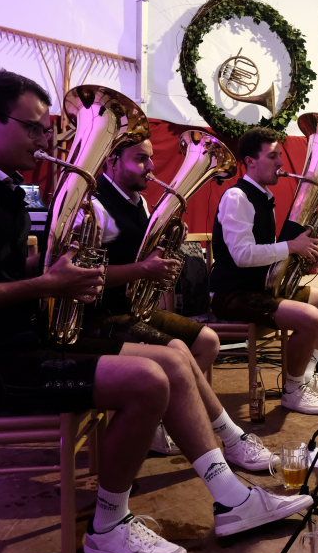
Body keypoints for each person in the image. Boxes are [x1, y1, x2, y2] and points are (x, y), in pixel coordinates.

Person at [0, 69, 311, 553]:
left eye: (47, 128)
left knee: (174, 361)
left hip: (14, 341)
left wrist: (50, 266)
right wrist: (48, 283)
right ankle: (109, 527)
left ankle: (232, 499)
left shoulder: (1, 187)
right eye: (33, 127)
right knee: (148, 380)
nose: (45, 140)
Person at [84, 136, 271, 470]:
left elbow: (144, 256)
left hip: (132, 309)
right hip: (101, 315)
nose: (151, 167)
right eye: (140, 159)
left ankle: (162, 419)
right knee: (179, 352)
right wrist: (143, 269)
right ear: (111, 161)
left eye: (150, 158)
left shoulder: (139, 202)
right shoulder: (96, 207)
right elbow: (83, 276)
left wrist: (165, 249)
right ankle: (229, 438)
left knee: (207, 341)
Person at [208, 127, 318, 416]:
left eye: (280, 155)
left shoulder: (264, 197)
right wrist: (292, 246)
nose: (280, 162)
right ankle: (293, 390)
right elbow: (242, 255)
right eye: (273, 156)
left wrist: (299, 253)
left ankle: (306, 373)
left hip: (261, 289)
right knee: (310, 317)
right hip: (232, 294)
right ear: (250, 161)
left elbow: (266, 251)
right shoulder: (236, 197)